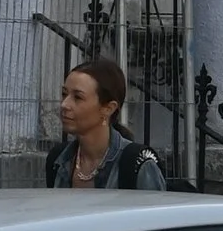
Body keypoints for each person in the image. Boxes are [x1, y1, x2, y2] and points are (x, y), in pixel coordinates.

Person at [47, 55, 167, 192]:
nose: (64, 104)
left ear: (108, 108)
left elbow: (155, 213)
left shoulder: (138, 165)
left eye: (78, 97)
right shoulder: (59, 159)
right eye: (64, 94)